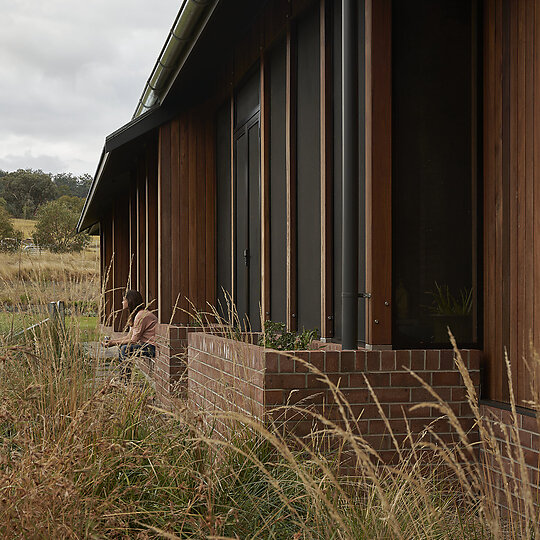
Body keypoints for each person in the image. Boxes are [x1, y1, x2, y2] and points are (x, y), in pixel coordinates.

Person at [103, 290, 157, 381]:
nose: (122, 302)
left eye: (124, 300)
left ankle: (125, 380)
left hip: (153, 347)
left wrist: (113, 343)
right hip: (146, 345)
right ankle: (124, 378)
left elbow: (133, 340)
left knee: (125, 349)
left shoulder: (141, 315)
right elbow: (128, 337)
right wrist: (112, 342)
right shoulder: (136, 315)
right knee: (123, 347)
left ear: (130, 301)